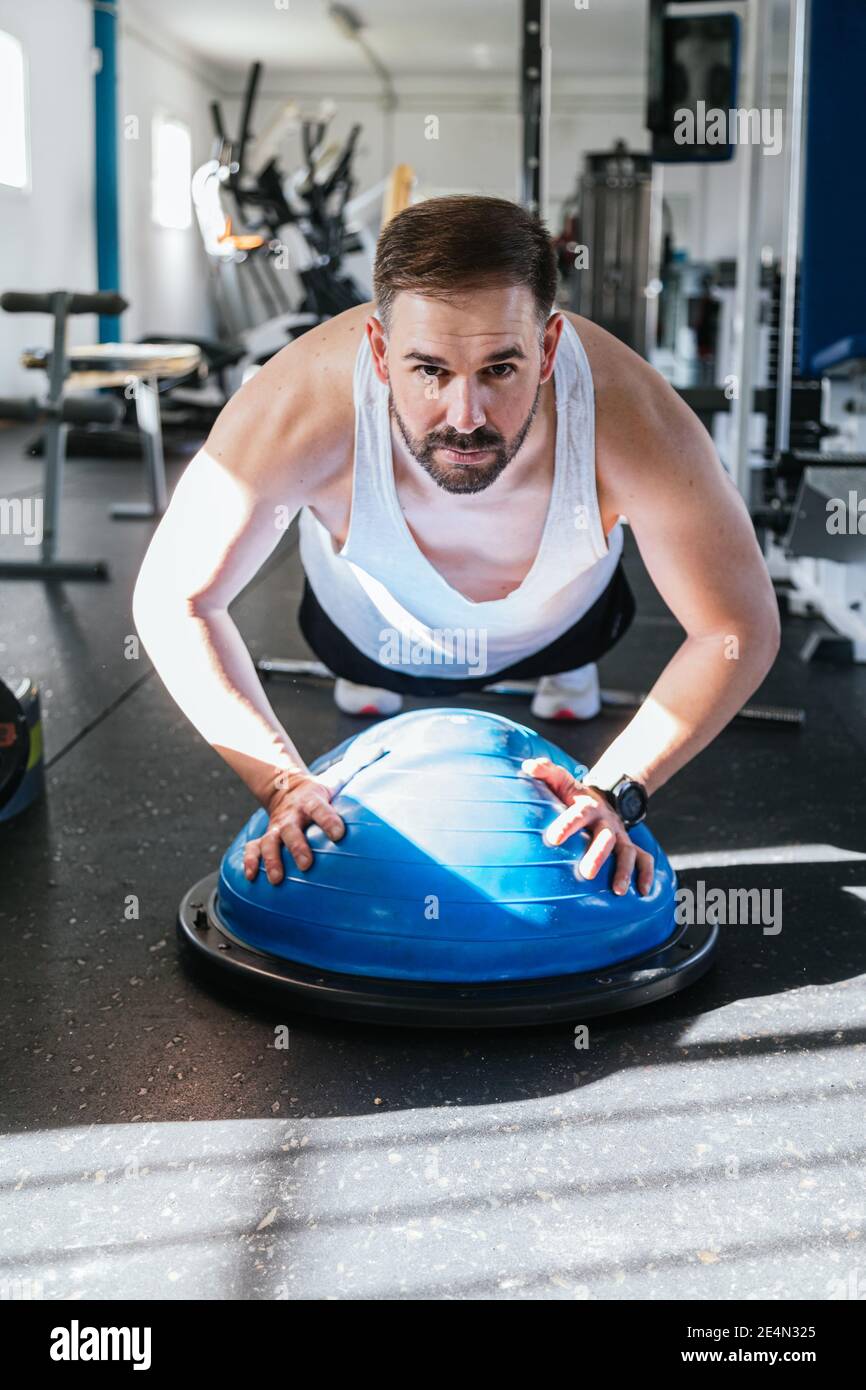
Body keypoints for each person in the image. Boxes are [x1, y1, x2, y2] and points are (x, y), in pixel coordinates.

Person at [132, 195, 780, 898]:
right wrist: (282, 782)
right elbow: (176, 599)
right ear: (380, 352)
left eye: (500, 369)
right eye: (430, 370)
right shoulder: (302, 403)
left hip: (565, 631)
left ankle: (564, 673)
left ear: (551, 346)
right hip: (364, 634)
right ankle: (379, 678)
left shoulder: (633, 415)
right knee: (368, 680)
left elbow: (737, 627)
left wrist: (616, 786)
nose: (465, 417)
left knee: (578, 670)